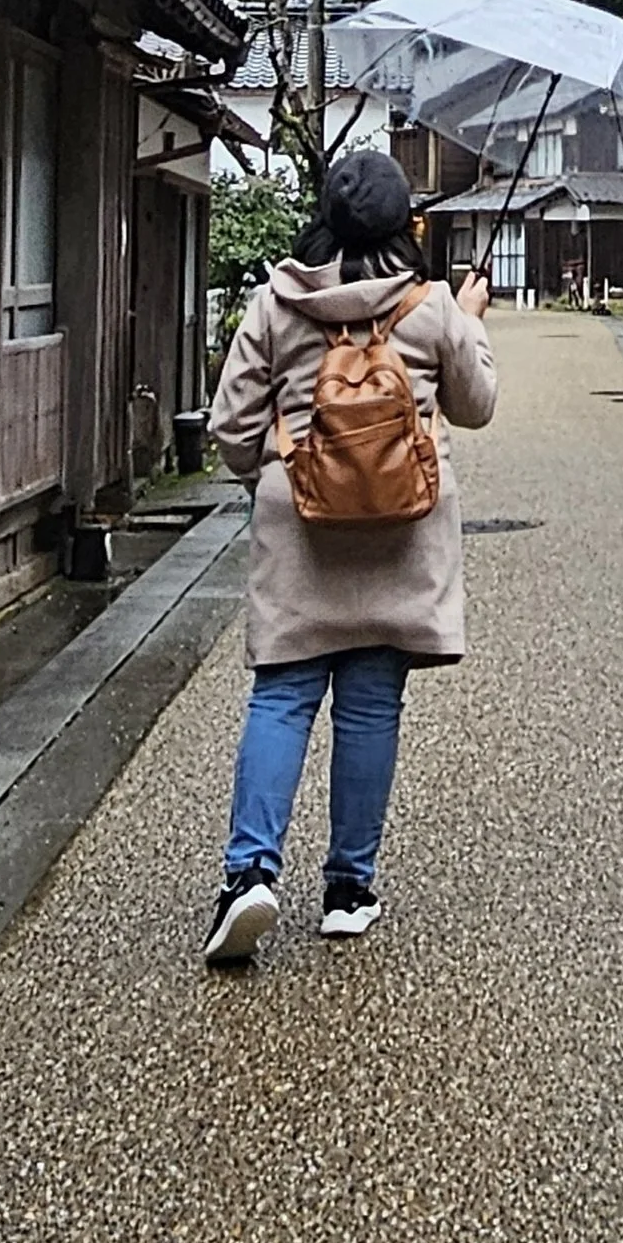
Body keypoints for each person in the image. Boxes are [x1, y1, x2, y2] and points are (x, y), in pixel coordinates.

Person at [202, 151, 497, 964]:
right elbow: (477, 407)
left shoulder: (277, 303)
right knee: (370, 704)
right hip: (401, 539)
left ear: (327, 219)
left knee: (282, 697)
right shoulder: (429, 305)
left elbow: (229, 436)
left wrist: (279, 446)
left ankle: (248, 877)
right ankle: (347, 890)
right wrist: (467, 319)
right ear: (408, 225)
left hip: (300, 534)